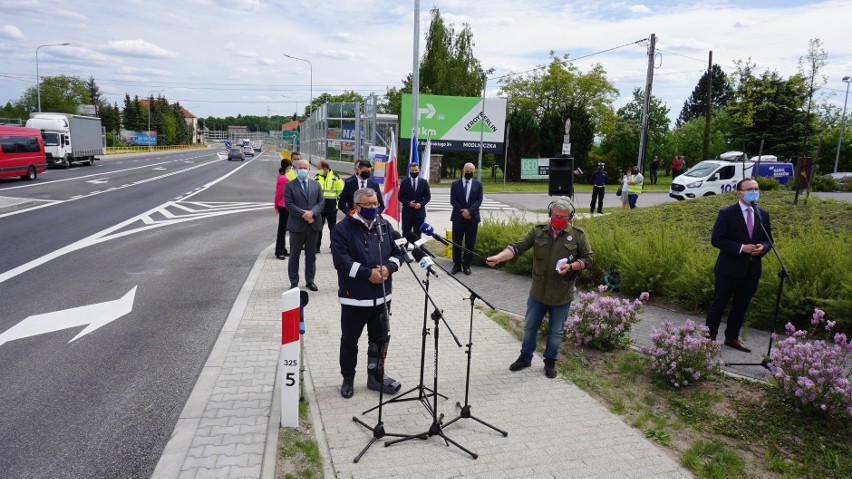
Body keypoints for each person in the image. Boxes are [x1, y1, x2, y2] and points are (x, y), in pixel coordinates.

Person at [485, 197, 593, 378]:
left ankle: (550, 362)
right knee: (529, 327)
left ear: (570, 217)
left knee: (556, 332)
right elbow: (517, 248)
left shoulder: (578, 235)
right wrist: (498, 257)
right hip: (538, 293)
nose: (559, 219)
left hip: (561, 294)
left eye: (563, 217)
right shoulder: (538, 231)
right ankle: (525, 357)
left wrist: (572, 266)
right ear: (551, 213)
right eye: (556, 215)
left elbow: (588, 259)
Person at [331, 188, 405, 398]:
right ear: (356, 207)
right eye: (369, 205)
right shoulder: (342, 229)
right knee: (349, 341)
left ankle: (375, 375)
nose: (374, 208)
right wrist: (367, 274)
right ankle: (348, 378)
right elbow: (341, 262)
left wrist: (390, 268)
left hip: (382, 296)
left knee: (380, 338)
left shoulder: (384, 225)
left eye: (376, 204)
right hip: (355, 297)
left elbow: (398, 251)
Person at [705, 178, 772, 353]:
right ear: (739, 193)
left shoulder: (762, 214)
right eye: (750, 189)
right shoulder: (727, 213)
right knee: (718, 306)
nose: (754, 192)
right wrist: (742, 248)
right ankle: (709, 338)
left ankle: (731, 337)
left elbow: (768, 240)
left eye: (756, 189)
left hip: (751, 271)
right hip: (728, 269)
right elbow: (717, 239)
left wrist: (762, 247)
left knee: (740, 307)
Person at [284, 159, 324, 291]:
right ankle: (294, 282)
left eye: (305, 168)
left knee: (311, 256)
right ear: (296, 169)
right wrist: (304, 214)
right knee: (294, 256)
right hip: (297, 226)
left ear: (309, 170)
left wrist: (312, 213)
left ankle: (310, 281)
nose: (302, 170)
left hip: (313, 226)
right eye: (300, 167)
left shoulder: (316, 185)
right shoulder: (289, 186)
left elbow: (321, 203)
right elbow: (289, 205)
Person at [450, 162, 483, 275]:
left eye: (471, 172)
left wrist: (469, 211)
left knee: (470, 244)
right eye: (466, 171)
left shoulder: (478, 185)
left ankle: (467, 265)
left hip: (472, 219)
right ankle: (456, 265)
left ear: (474, 172)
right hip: (458, 218)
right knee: (457, 243)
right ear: (463, 171)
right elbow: (453, 200)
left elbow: (479, 200)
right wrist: (463, 211)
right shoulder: (455, 184)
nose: (468, 173)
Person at [314, 160, 344, 252]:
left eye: (319, 168)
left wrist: (337, 204)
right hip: (320, 207)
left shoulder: (336, 178)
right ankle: (316, 247)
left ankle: (334, 246)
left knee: (333, 228)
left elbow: (341, 193)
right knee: (318, 227)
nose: (318, 170)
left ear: (325, 169)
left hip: (331, 207)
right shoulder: (317, 177)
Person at [398, 162, 431, 239]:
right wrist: (409, 203)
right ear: (409, 170)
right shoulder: (404, 182)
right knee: (405, 234)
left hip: (419, 214)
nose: (414, 172)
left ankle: (417, 250)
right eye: (412, 170)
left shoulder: (424, 182)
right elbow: (400, 197)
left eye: (416, 170)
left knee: (418, 235)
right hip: (407, 214)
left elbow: (427, 197)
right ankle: (404, 250)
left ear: (418, 170)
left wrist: (421, 204)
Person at [274, 159, 293, 259]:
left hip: (285, 206)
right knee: (282, 230)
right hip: (283, 206)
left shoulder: (282, 176)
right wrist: (276, 205)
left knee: (284, 229)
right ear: (287, 167)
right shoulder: (283, 178)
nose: (290, 169)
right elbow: (279, 193)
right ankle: (279, 251)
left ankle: (283, 249)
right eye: (290, 167)